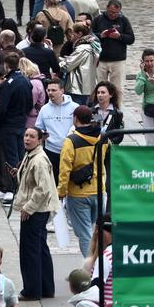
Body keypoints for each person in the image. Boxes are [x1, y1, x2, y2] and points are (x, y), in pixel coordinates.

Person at [13, 127, 60, 300]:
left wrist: (29, 207)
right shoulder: (31, 154)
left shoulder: (38, 159)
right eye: (26, 135)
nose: (27, 139)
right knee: (40, 249)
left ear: (39, 140)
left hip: (36, 210)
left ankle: (32, 290)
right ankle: (46, 288)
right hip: (41, 209)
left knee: (29, 251)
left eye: (32, 136)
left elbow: (44, 189)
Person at [58, 106, 100, 253]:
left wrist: (61, 191)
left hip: (78, 193)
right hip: (99, 190)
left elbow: (65, 169)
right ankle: (99, 264)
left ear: (75, 119)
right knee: (94, 229)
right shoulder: (102, 137)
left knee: (84, 234)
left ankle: (91, 267)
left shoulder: (71, 141)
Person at [93, 0, 135, 98]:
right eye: (111, 12)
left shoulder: (123, 20)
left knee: (118, 89)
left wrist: (119, 36)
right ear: (107, 8)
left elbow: (131, 39)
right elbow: (89, 36)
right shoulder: (98, 19)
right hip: (100, 60)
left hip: (118, 60)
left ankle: (118, 110)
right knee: (100, 88)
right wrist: (101, 35)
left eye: (116, 13)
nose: (113, 15)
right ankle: (100, 108)